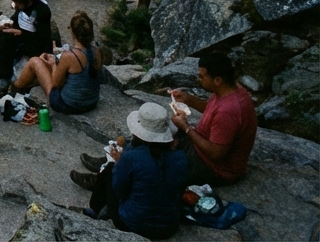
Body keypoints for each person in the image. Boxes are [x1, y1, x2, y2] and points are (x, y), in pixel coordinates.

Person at [71, 102, 188, 239]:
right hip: (169, 226)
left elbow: (118, 190)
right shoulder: (180, 158)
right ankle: (96, 183)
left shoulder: (133, 156)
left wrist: (120, 163)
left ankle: (93, 210)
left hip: (132, 224)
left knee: (110, 170)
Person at [168, 50, 256, 186]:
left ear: (217, 80)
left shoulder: (228, 111)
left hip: (213, 168)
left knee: (157, 165)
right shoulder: (231, 89)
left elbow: (216, 154)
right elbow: (212, 111)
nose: (199, 79)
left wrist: (186, 128)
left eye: (202, 76)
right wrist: (189, 100)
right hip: (201, 147)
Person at [11, 11, 101, 114]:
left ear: (71, 30)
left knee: (34, 61)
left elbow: (56, 85)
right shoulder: (97, 51)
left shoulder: (70, 55)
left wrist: (53, 64)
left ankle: (14, 88)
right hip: (92, 102)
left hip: (68, 105)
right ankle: (19, 87)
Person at [0, 0, 53, 78]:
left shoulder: (40, 12)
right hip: (23, 32)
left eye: (17, 3)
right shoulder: (25, 3)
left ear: (27, 2)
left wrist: (19, 33)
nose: (15, 5)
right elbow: (18, 14)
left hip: (34, 43)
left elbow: (42, 37)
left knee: (3, 41)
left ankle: (4, 73)